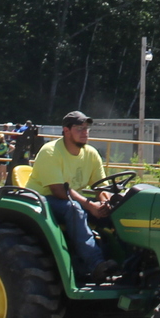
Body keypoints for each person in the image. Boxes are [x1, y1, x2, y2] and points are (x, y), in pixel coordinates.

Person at [28, 111, 112, 280]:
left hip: (71, 197)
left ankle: (129, 264)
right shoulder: (50, 152)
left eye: (86, 128)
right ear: (66, 131)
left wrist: (106, 203)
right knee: (74, 209)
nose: (85, 132)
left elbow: (102, 187)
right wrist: (90, 206)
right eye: (79, 128)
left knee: (118, 210)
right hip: (42, 200)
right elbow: (59, 190)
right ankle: (95, 264)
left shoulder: (91, 153)